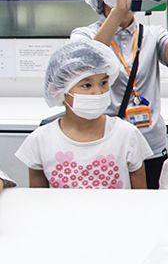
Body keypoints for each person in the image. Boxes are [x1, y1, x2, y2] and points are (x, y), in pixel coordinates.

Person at [71, 0, 168, 189]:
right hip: (105, 142)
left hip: (150, 145)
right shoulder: (84, 35)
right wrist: (118, 11)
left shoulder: (152, 34)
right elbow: (89, 63)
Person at [15, 40, 150, 189]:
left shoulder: (126, 134)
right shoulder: (40, 140)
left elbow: (140, 198)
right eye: (86, 85)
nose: (98, 92)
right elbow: (38, 200)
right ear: (59, 89)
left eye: (103, 83)